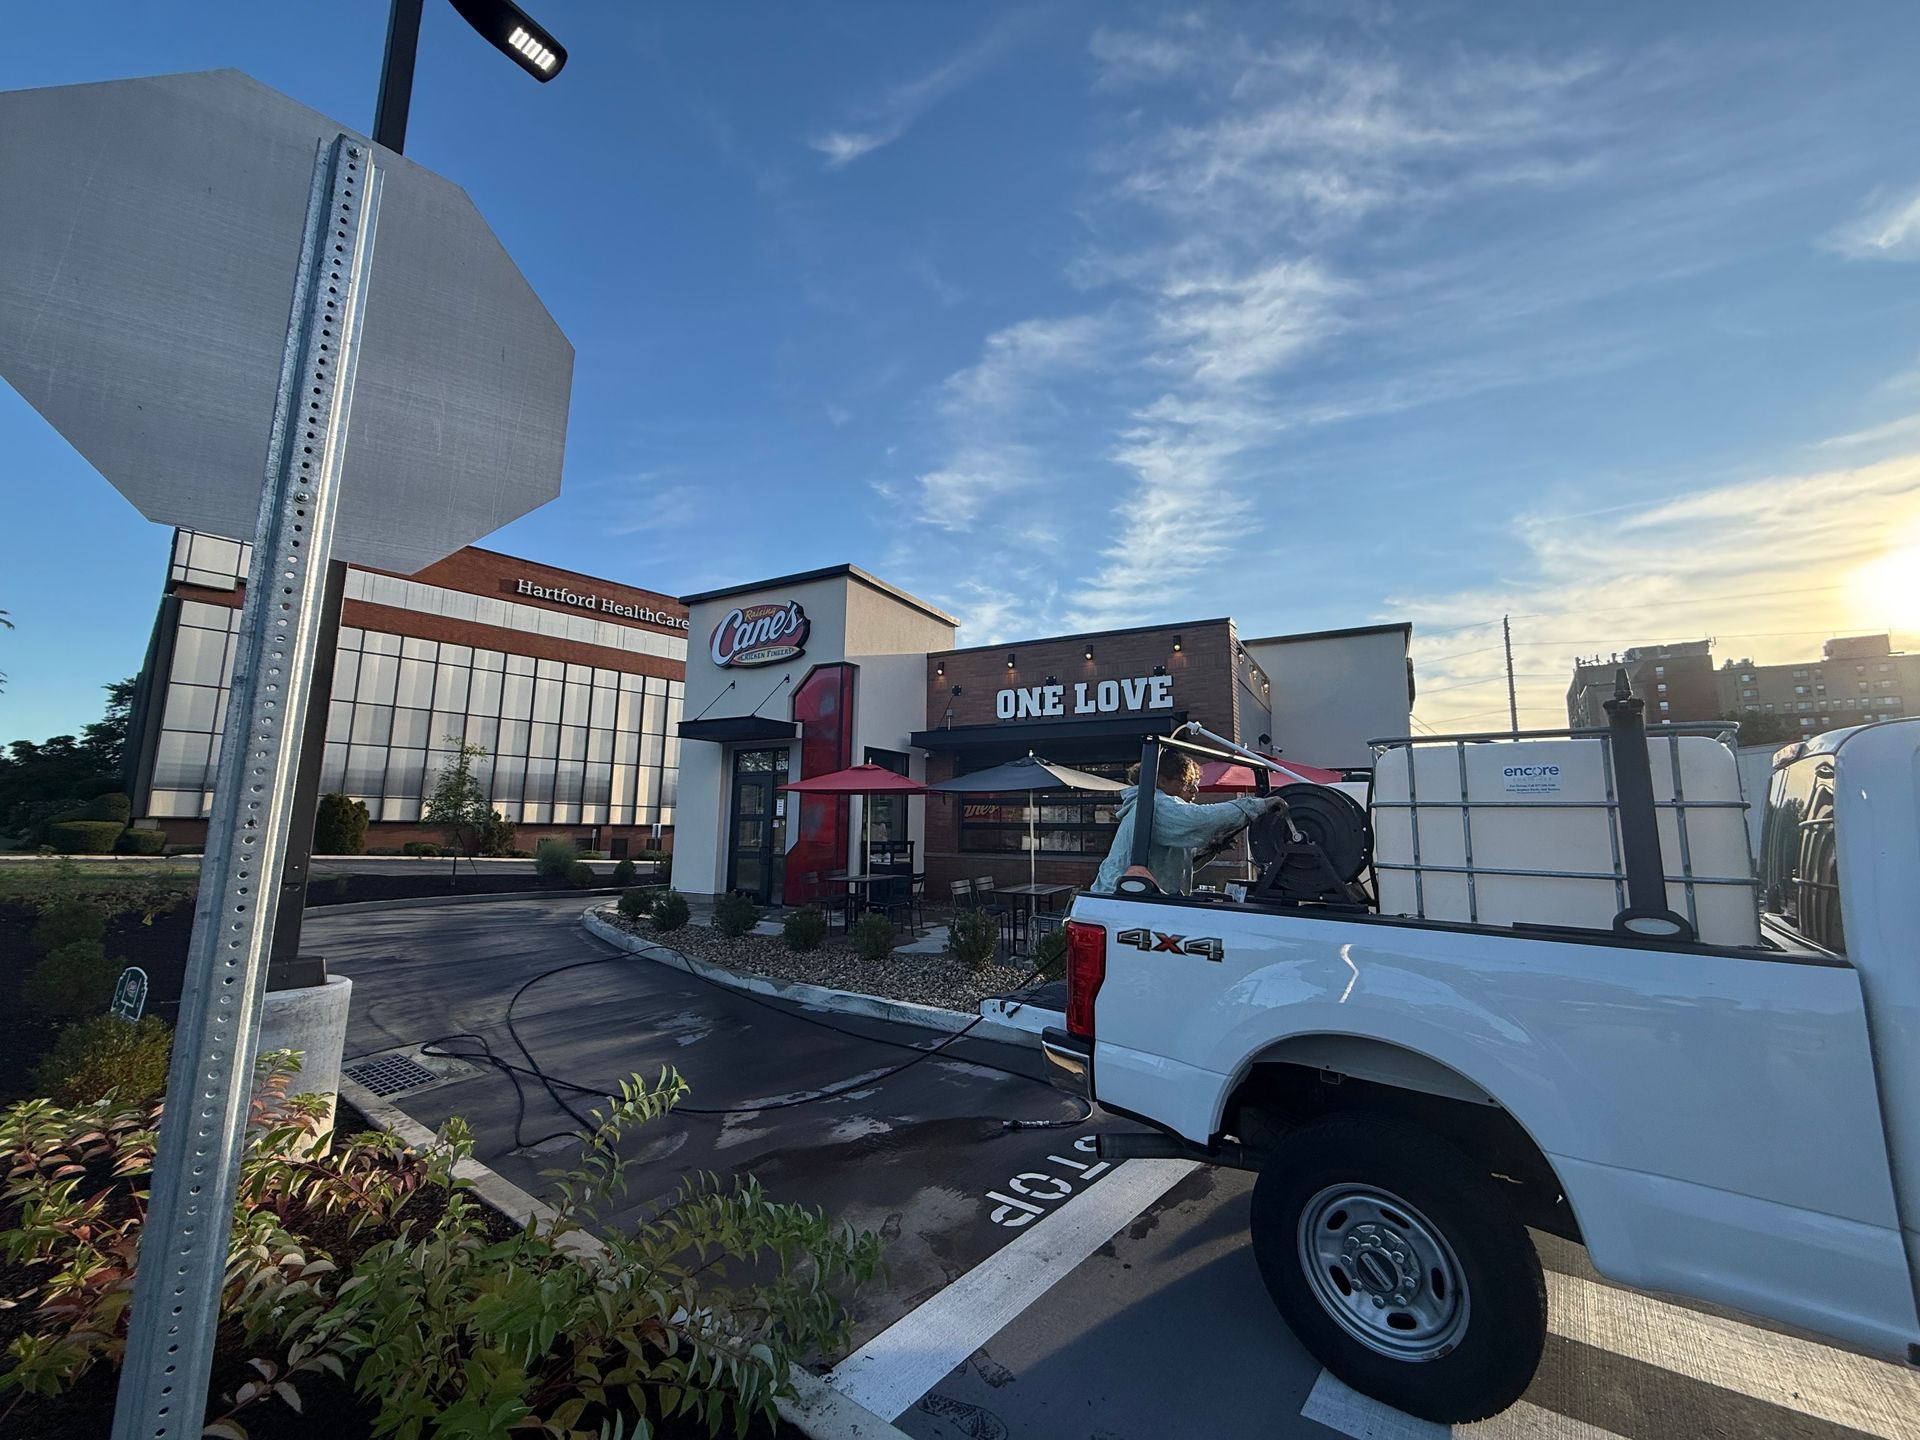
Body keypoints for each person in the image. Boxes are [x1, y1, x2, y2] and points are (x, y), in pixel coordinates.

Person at [1091, 748, 1289, 895]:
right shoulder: (1157, 804)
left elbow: (1172, 863)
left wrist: (1207, 851)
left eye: (1195, 784)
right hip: (1123, 899)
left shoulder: (1149, 806)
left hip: (1122, 899)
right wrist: (1255, 806)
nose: (1195, 790)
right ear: (1161, 781)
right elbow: (1199, 819)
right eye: (1187, 783)